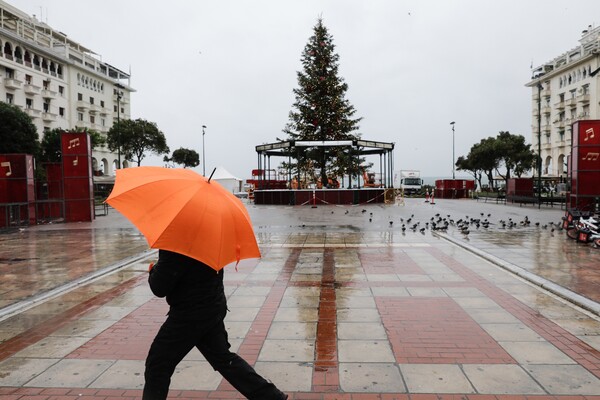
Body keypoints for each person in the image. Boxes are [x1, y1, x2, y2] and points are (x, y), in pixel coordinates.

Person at [143, 249, 288, 400]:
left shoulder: (174, 245)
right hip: (212, 306)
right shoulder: (211, 236)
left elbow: (159, 288)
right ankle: (272, 397)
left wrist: (153, 271)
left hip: (189, 315)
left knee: (158, 365)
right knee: (224, 360)